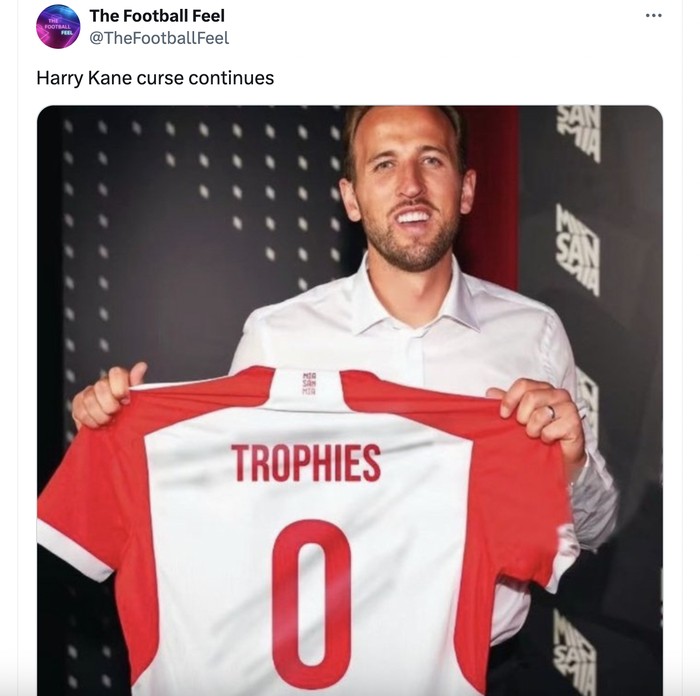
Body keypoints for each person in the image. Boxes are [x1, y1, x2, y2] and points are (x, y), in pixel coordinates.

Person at [70, 105, 618, 693]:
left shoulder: (533, 333)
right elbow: (229, 518)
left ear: (466, 189)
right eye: (384, 164)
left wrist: (569, 466)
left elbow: (594, 529)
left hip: (490, 671)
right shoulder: (277, 338)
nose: (410, 184)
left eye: (431, 160)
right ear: (351, 198)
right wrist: (122, 435)